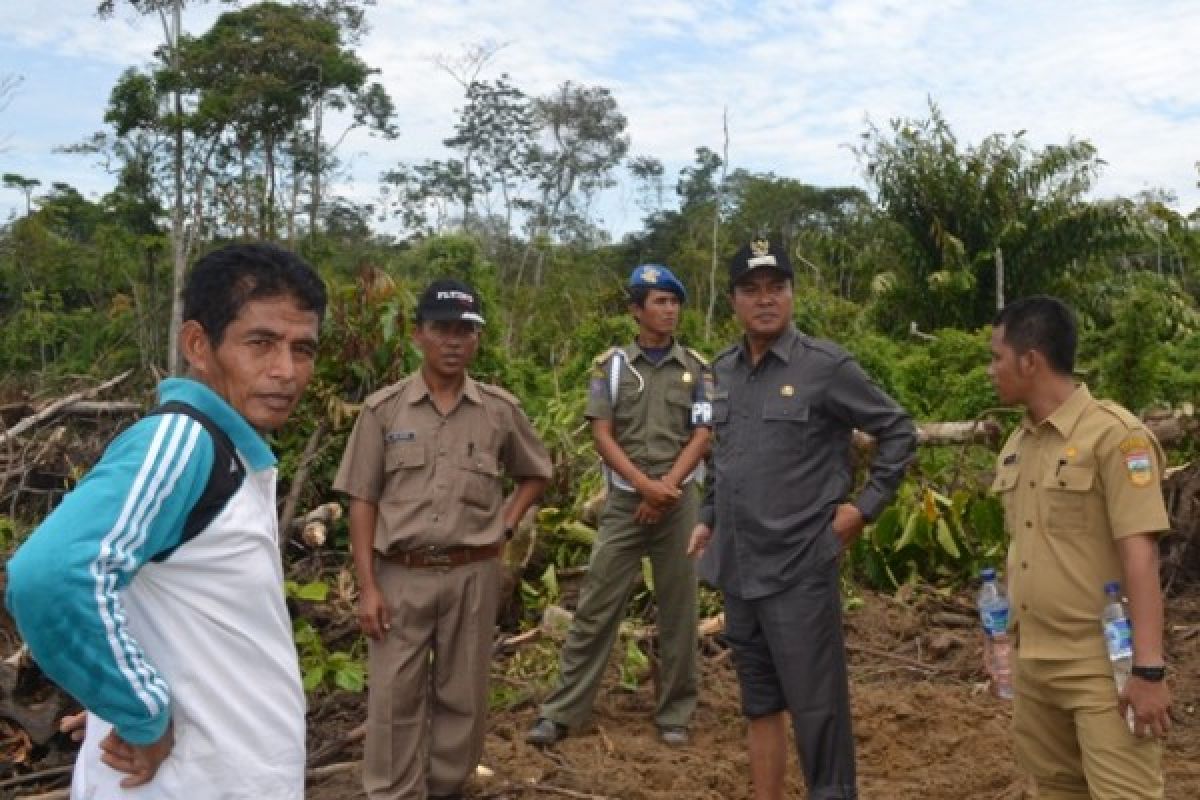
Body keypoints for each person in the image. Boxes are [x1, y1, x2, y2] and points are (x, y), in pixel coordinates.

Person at [5, 243, 327, 798]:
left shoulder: (229, 456)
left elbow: (166, 606)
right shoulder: (184, 442)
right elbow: (48, 578)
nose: (286, 371)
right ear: (199, 346)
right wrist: (140, 713)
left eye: (303, 349)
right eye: (261, 342)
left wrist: (110, 696)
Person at [687, 237, 916, 800]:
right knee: (760, 703)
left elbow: (898, 430)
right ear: (733, 300)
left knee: (818, 711)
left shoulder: (825, 367)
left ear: (792, 293)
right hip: (739, 570)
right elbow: (723, 455)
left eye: (777, 288)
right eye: (751, 290)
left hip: (799, 568)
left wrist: (863, 510)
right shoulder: (719, 372)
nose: (766, 300)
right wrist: (709, 515)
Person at [334, 278, 552, 800]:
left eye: (465, 331)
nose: (453, 341)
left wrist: (506, 521)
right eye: (441, 329)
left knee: (463, 693)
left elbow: (536, 472)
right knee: (393, 696)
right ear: (418, 335)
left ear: (477, 340)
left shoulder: (499, 410)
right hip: (401, 574)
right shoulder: (383, 411)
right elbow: (361, 500)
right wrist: (367, 586)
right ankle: (393, 791)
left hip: (473, 574)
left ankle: (448, 788)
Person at [987, 295, 1171, 799]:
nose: (990, 370)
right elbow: (1023, 548)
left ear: (1030, 360)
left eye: (996, 356)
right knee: (1056, 790)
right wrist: (1000, 636)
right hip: (1034, 663)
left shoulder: (1115, 438)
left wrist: (1148, 671)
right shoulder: (1018, 444)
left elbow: (1141, 555)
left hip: (1101, 666)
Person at [526, 264, 712, 748]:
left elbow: (703, 434)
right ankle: (562, 711)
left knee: (679, 609)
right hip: (626, 503)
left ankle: (675, 713)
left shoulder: (696, 367)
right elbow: (601, 433)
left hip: (679, 503)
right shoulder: (610, 366)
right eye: (659, 302)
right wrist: (639, 485)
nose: (669, 310)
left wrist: (666, 487)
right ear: (636, 310)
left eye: (674, 302)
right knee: (595, 607)